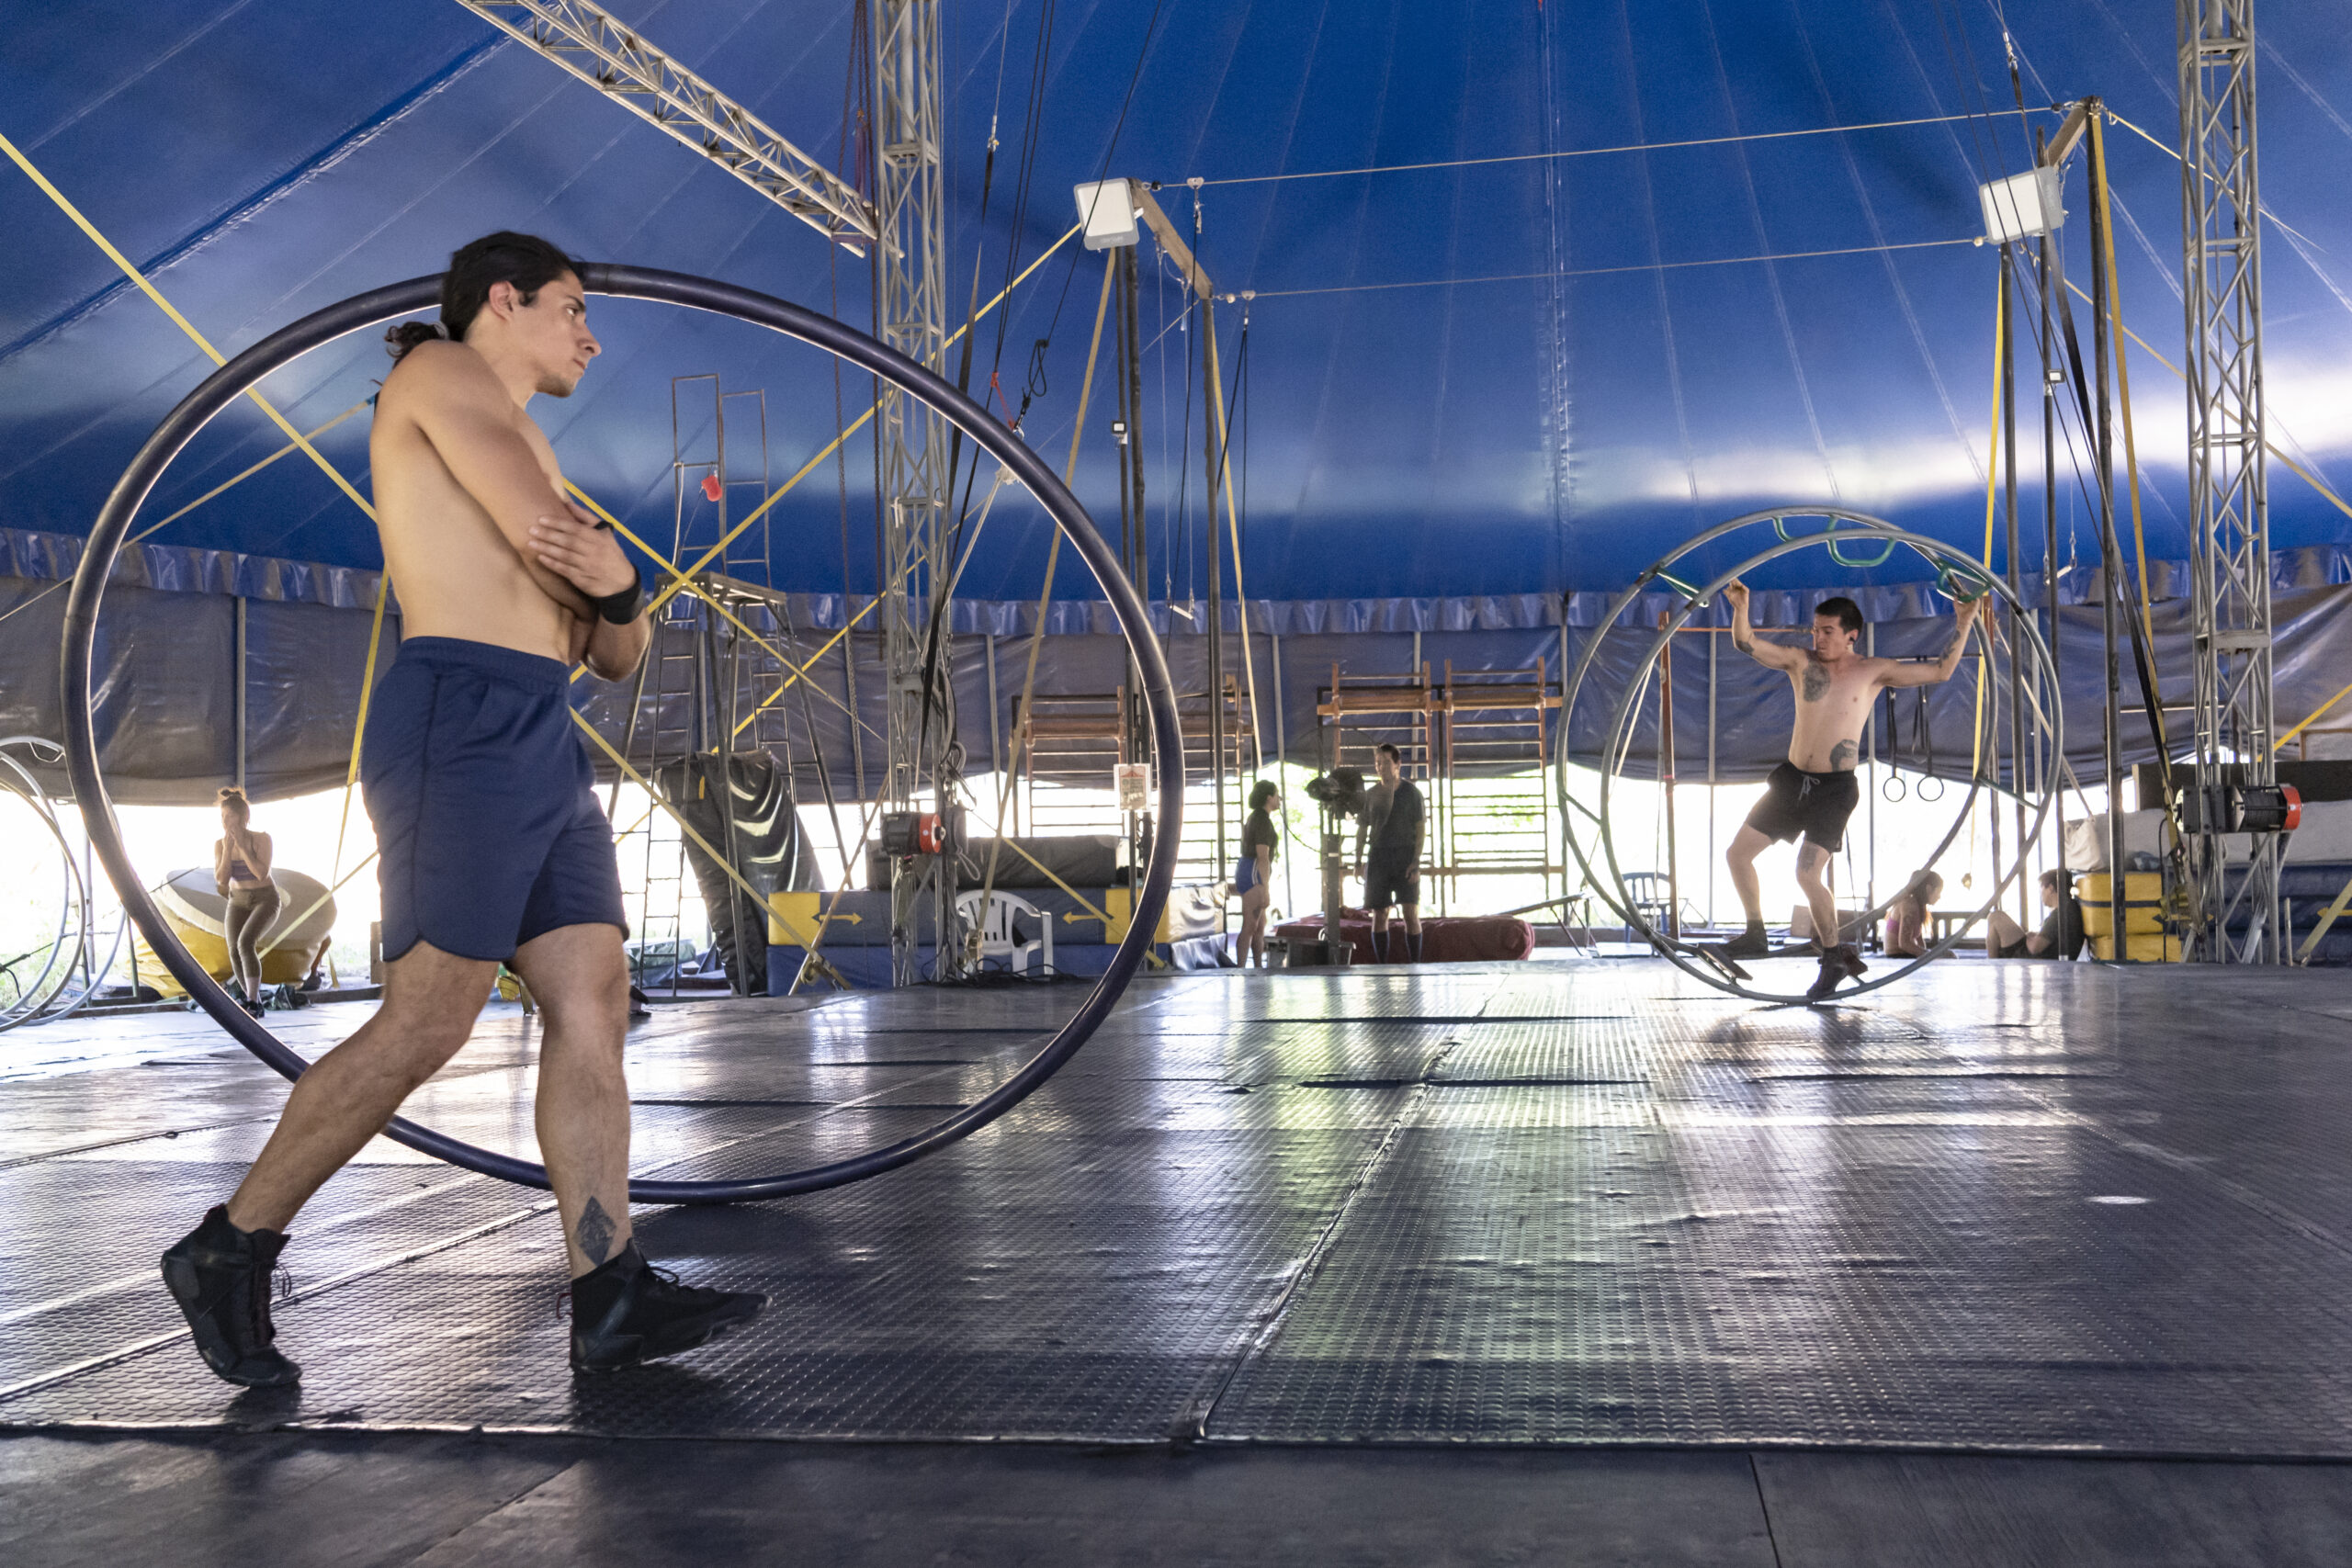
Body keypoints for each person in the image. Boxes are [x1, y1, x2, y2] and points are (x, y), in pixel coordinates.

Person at [161, 232, 763, 1389]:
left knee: (593, 996)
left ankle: (610, 1290)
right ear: (503, 299)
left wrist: (613, 588)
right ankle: (229, 1248)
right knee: (430, 1018)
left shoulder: (531, 443)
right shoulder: (437, 373)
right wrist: (607, 584)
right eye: (573, 308)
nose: (591, 337)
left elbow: (616, 648)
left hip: (539, 729)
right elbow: (565, 565)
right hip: (461, 718)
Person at [1724, 584, 1983, 1000]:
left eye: (1827, 631)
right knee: (1737, 854)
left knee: (1807, 873)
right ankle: (1755, 933)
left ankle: (1832, 958)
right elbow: (1746, 642)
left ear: (1851, 636)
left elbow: (1941, 671)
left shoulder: (1872, 670)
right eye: (1815, 630)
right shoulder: (1799, 661)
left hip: (1834, 789)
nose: (1818, 639)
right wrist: (1741, 608)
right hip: (1791, 781)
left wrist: (1964, 622)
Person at [211, 787, 280, 1017]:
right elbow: (222, 880)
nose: (225, 822)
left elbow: (261, 873)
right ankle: (254, 1001)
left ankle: (251, 1000)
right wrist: (228, 850)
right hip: (237, 900)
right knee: (233, 950)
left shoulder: (262, 839)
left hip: (265, 899)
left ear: (243, 817)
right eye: (222, 816)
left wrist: (241, 846)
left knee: (245, 942)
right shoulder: (220, 845)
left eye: (229, 816)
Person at [1357, 743, 1425, 964]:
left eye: (1386, 762)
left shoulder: (1411, 793)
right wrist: (1357, 860)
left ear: (1398, 764)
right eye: (1378, 763)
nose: (1381, 767)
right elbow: (1362, 829)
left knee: (1410, 912)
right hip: (1378, 857)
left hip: (1405, 857)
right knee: (1380, 913)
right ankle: (1381, 966)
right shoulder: (1370, 795)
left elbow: (1420, 829)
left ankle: (1415, 964)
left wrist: (1416, 861)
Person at [1987, 870, 2086, 960]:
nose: (2040, 895)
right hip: (2044, 956)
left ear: (2050, 888)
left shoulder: (2061, 914)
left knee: (1995, 917)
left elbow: (2034, 948)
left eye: (2041, 889)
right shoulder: (2069, 907)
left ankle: (1992, 965)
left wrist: (2029, 937)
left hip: (2033, 959)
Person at [1236, 781, 1282, 970]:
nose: (1279, 799)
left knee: (1260, 925)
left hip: (1250, 869)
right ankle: (1239, 969)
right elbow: (1263, 856)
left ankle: (1257, 968)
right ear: (1269, 798)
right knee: (1250, 925)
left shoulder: (1258, 817)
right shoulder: (1261, 820)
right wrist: (1265, 889)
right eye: (1277, 795)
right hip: (1253, 871)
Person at [1882, 869, 1944, 959]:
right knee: (1944, 956)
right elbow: (1904, 944)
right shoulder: (1909, 905)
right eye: (1938, 892)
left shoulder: (1918, 905)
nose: (1939, 897)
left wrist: (1928, 955)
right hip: (1897, 956)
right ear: (1929, 889)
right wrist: (1932, 955)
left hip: (1904, 954)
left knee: (1945, 954)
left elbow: (1919, 940)